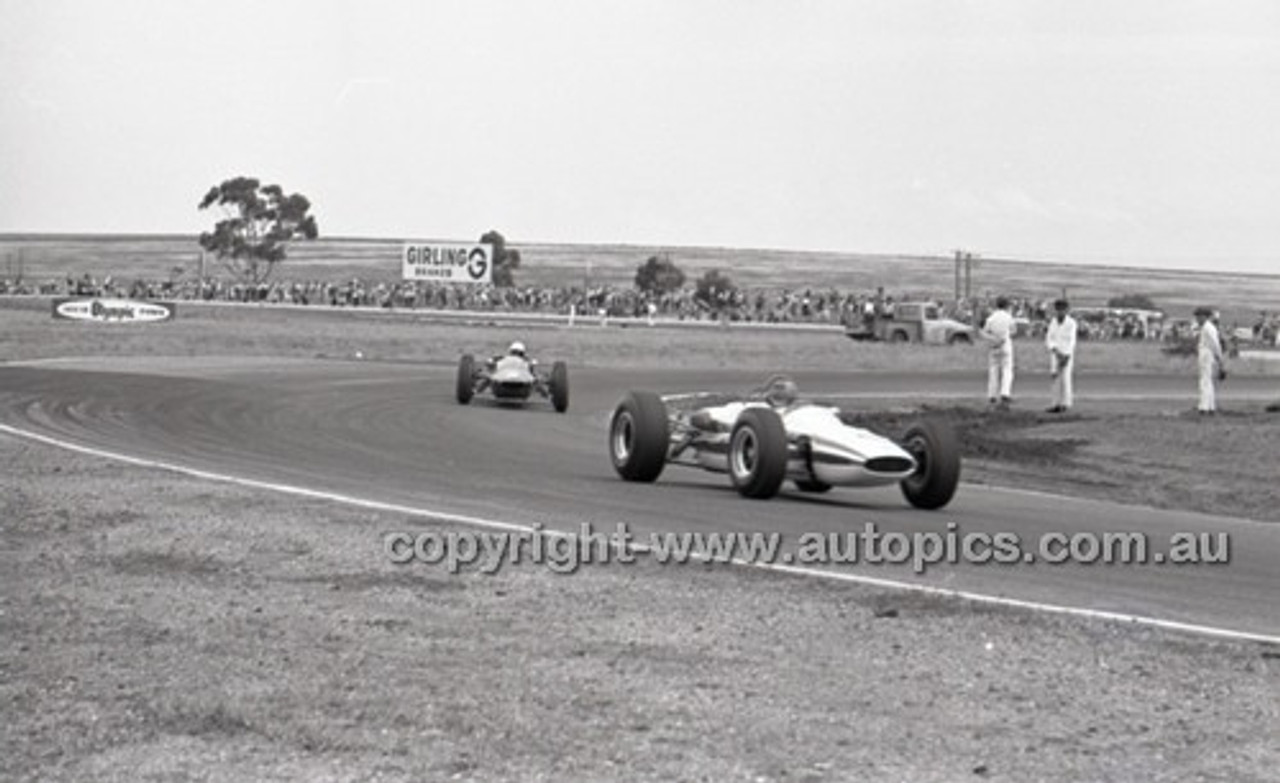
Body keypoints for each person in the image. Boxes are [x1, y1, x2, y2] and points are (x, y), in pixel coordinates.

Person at [981, 296, 1016, 409]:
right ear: (1006, 305)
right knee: (1007, 369)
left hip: (993, 346)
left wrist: (993, 339)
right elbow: (1014, 330)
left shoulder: (991, 318)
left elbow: (984, 332)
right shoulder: (1008, 317)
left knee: (993, 369)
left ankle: (992, 395)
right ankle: (1005, 393)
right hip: (1005, 344)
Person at [1044, 299, 1078, 413]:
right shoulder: (1053, 322)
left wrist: (1066, 355)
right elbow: (1049, 338)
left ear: (1066, 310)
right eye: (1058, 310)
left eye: (1062, 310)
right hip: (1055, 353)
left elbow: (1072, 341)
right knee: (1055, 378)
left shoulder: (1071, 323)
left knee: (1066, 378)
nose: (1060, 312)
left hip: (1066, 353)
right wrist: (1055, 350)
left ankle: (1066, 403)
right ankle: (1055, 404)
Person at [1194, 306, 1225, 414]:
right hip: (1207, 354)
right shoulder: (1207, 327)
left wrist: (1220, 359)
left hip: (1207, 355)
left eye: (1198, 316)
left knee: (1205, 381)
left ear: (1204, 316)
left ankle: (1204, 407)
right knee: (1208, 381)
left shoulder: (1208, 328)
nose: (1197, 319)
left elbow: (1216, 345)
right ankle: (1210, 407)